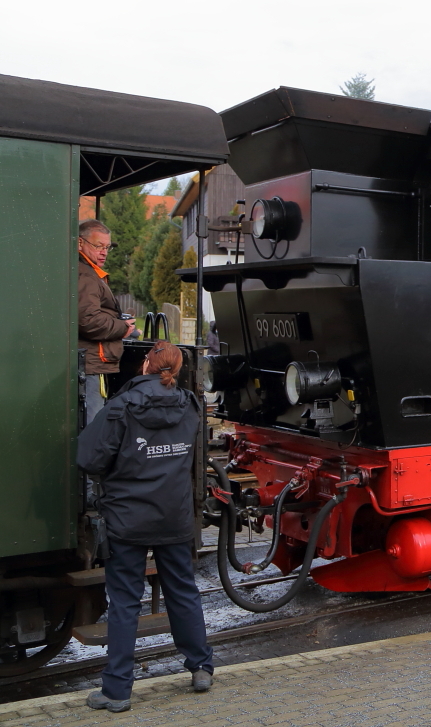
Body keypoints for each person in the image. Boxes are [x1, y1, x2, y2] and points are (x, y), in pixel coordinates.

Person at [77, 341, 213, 712]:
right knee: (183, 591)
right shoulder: (190, 405)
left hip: (128, 519)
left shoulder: (120, 407)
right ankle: (201, 667)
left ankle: (117, 691)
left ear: (146, 365)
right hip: (174, 516)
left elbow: (88, 458)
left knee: (124, 602)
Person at [78, 219, 136, 423]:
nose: (104, 252)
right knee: (92, 425)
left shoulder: (89, 272)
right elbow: (88, 320)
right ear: (80, 243)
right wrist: (122, 327)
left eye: (107, 247)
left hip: (92, 362)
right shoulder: (85, 275)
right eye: (98, 246)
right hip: (91, 363)